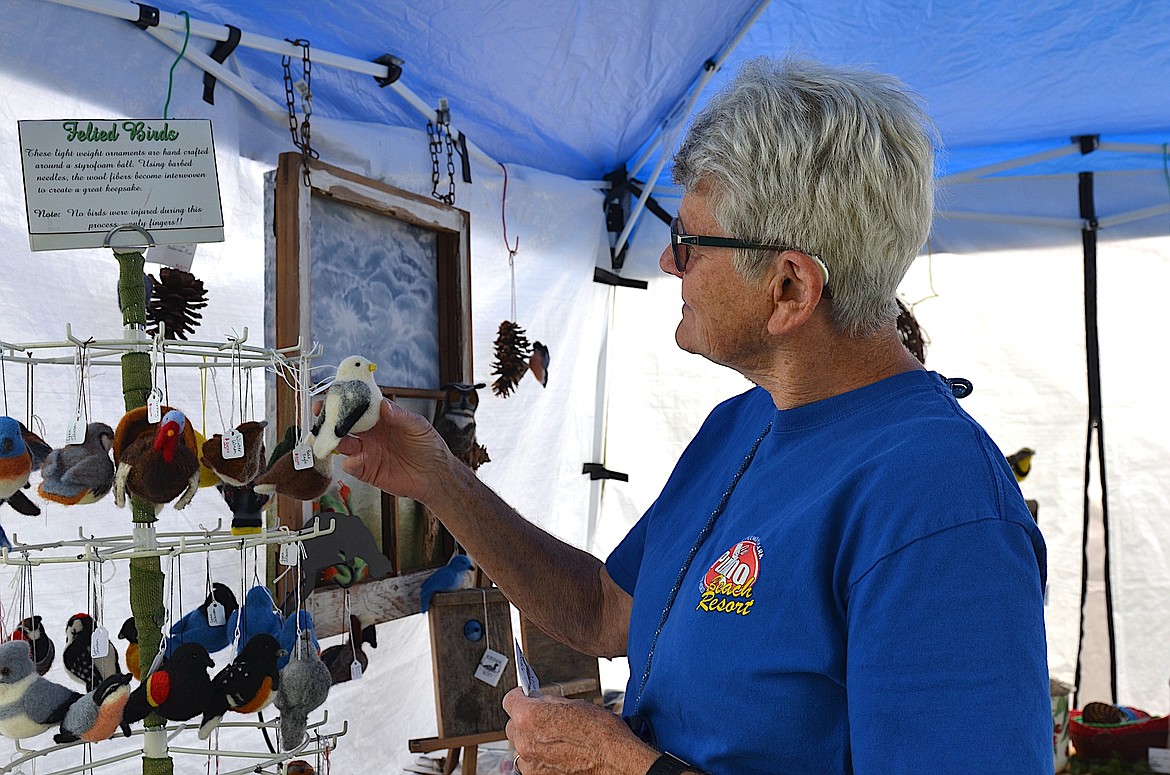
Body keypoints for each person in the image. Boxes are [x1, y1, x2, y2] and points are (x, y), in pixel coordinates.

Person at [336, 56, 1052, 775]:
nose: (671, 265)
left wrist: (630, 766)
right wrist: (439, 478)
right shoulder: (743, 422)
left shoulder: (939, 504)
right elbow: (601, 609)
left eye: (689, 242)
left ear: (790, 287)